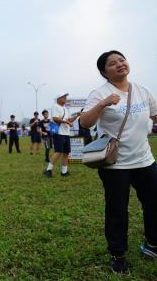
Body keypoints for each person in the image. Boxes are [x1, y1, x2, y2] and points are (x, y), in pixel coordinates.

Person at [80, 50, 157, 273]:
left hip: (145, 160)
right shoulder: (100, 93)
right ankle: (118, 255)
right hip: (116, 165)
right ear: (104, 72)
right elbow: (85, 122)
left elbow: (154, 116)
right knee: (117, 210)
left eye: (122, 60)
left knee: (154, 203)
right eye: (112, 64)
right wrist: (103, 104)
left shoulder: (142, 91)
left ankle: (152, 244)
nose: (120, 65)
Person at [43, 93, 80, 178]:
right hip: (59, 133)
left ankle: (64, 171)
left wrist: (76, 116)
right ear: (59, 98)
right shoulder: (55, 106)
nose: (66, 98)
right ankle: (48, 170)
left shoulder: (65, 108)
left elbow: (69, 119)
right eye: (64, 97)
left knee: (66, 153)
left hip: (66, 133)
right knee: (58, 151)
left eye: (66, 97)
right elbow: (55, 118)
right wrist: (67, 122)